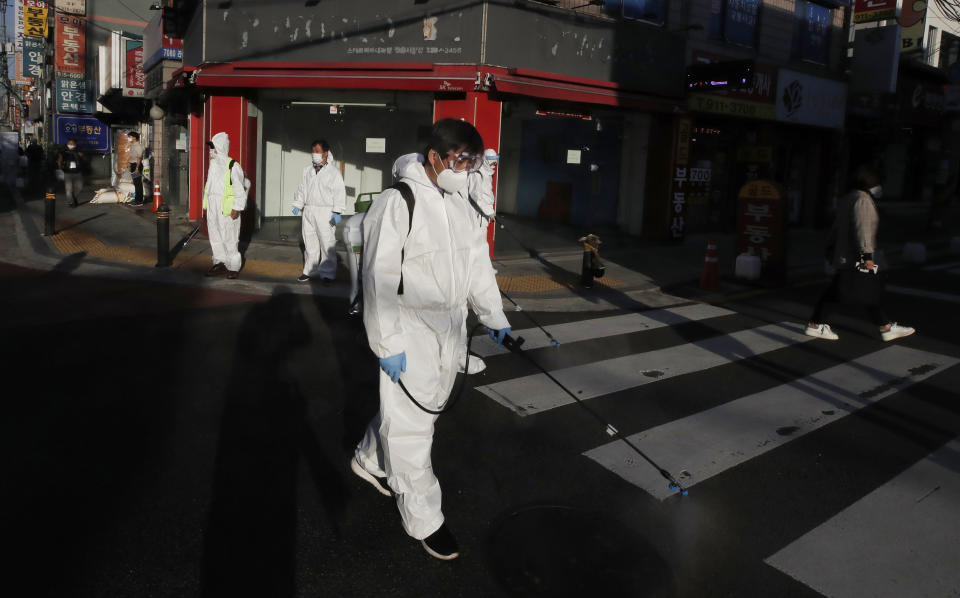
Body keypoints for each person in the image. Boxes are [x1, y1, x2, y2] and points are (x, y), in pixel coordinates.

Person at [351, 119, 512, 561]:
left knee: (427, 409)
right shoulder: (397, 202)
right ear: (436, 157)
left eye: (473, 162)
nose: (466, 170)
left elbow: (476, 262)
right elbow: (378, 278)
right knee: (411, 429)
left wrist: (492, 313)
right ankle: (425, 519)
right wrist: (389, 345)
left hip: (451, 330)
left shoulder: (459, 203)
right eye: (461, 160)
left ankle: (368, 458)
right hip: (410, 333)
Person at [805, 165, 915, 342]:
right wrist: (866, 257)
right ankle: (816, 325)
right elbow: (862, 229)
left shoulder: (848, 198)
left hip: (845, 255)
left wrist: (830, 250)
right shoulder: (863, 200)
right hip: (855, 257)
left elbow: (835, 229)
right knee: (859, 290)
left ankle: (885, 327)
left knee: (857, 290)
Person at [292, 139, 346, 282]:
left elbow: (339, 192)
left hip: (325, 212)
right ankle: (310, 270)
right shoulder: (307, 170)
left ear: (325, 153)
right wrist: (298, 204)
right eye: (313, 151)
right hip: (309, 210)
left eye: (317, 151)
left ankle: (327, 273)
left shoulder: (334, 172)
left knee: (326, 243)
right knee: (309, 242)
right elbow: (302, 188)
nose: (314, 154)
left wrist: (337, 212)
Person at [202, 132, 247, 280]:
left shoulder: (233, 166)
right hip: (213, 206)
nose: (211, 151)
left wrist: (237, 207)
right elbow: (209, 187)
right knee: (215, 235)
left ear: (220, 148)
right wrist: (206, 207)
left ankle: (233, 266)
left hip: (226, 207)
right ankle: (220, 262)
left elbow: (240, 190)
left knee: (230, 237)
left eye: (213, 148)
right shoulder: (213, 165)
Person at [58, 139, 84, 208]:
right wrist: (61, 168)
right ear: (67, 144)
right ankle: (71, 202)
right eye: (69, 143)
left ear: (75, 144)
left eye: (72, 144)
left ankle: (74, 197)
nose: (71, 145)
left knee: (80, 187)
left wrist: (81, 156)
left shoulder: (78, 151)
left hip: (77, 172)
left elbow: (83, 160)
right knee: (68, 189)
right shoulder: (63, 151)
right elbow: (59, 161)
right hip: (68, 172)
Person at [127, 132, 145, 205]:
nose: (129, 138)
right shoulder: (133, 145)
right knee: (135, 183)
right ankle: (136, 199)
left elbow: (139, 158)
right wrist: (129, 165)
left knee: (138, 183)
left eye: (130, 136)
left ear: (134, 137)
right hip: (133, 165)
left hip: (137, 165)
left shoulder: (138, 146)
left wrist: (137, 168)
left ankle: (139, 201)